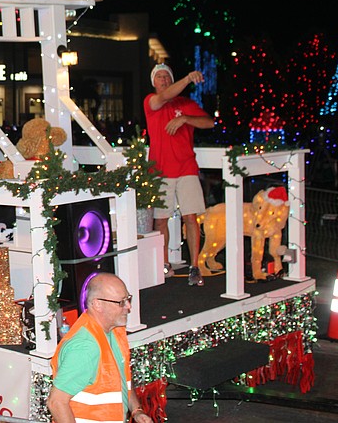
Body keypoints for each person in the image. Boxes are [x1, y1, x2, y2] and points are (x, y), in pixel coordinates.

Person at [47, 273, 152, 423]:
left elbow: (123, 380)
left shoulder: (115, 330)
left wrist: (136, 410)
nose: (128, 307)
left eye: (128, 299)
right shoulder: (85, 347)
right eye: (121, 302)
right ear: (97, 304)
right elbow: (56, 402)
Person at [144, 64, 214, 287]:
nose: (163, 80)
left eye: (167, 77)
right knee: (161, 220)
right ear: (154, 82)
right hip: (160, 171)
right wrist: (187, 79)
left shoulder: (186, 104)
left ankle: (195, 266)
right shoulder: (151, 102)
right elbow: (163, 96)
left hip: (186, 168)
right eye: (159, 77)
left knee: (191, 217)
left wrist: (185, 119)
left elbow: (209, 122)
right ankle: (164, 264)